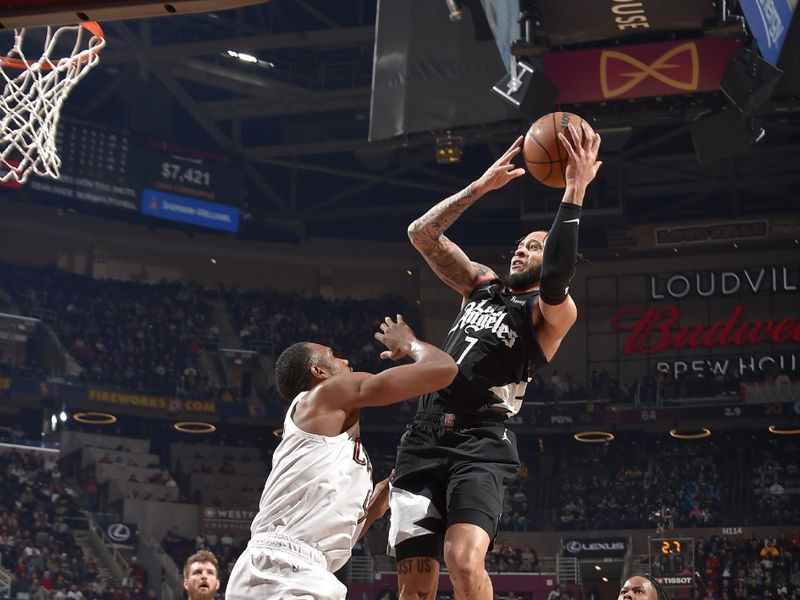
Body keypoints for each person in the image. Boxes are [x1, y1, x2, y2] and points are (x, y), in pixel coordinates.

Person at [390, 123, 602, 600]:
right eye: (522, 244)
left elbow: (556, 276)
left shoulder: (552, 313)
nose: (524, 249)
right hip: (423, 435)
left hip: (482, 439)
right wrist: (479, 187)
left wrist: (575, 189)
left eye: (537, 245)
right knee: (415, 588)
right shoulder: (482, 283)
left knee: (463, 562)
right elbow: (421, 234)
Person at [225, 315, 457, 600]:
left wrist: (376, 503)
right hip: (284, 571)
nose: (346, 361)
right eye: (332, 356)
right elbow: (443, 370)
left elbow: (336, 535)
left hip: (294, 569)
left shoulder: (332, 444)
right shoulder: (326, 394)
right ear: (318, 372)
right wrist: (409, 343)